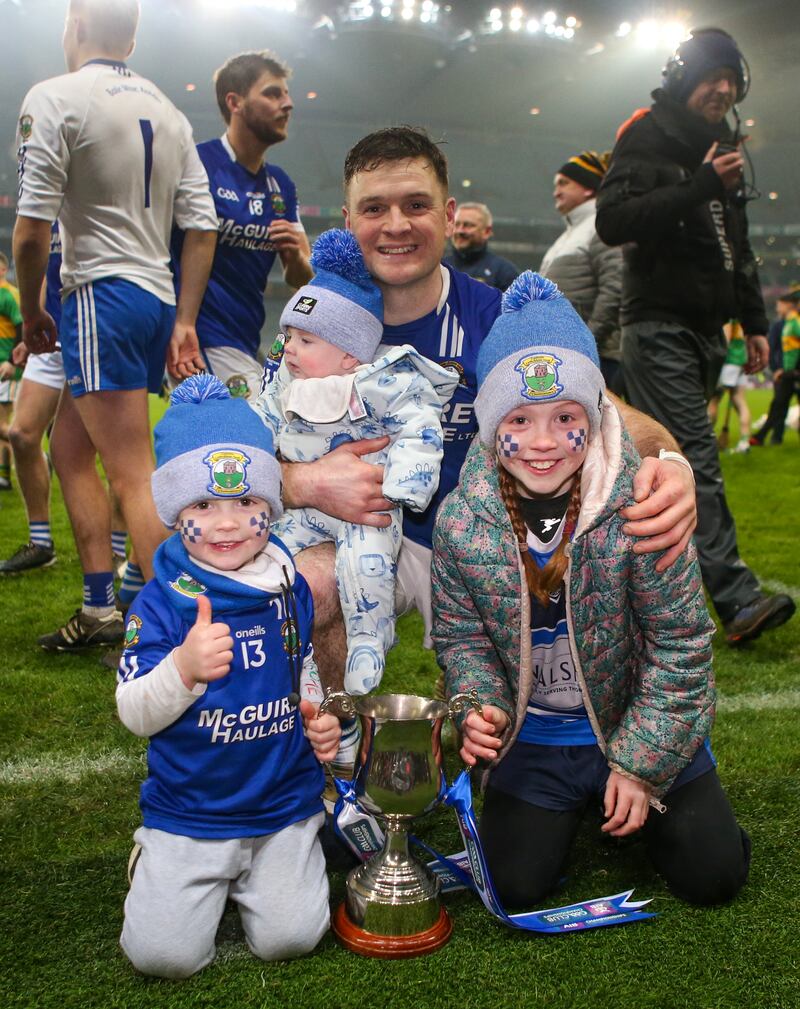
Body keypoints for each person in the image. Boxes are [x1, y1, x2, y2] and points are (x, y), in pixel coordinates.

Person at [278, 126, 698, 692]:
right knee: (307, 583)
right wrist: (303, 481)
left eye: (416, 205)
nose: (397, 224)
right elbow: (239, 444)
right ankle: (339, 759)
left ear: (449, 216)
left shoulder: (500, 319)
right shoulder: (317, 320)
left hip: (487, 542)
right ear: (349, 223)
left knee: (502, 733)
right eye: (375, 208)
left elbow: (609, 410)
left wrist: (672, 463)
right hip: (363, 532)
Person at [431, 272, 750, 910]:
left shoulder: (642, 507)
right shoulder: (460, 521)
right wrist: (481, 707)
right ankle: (568, 806)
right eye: (519, 417)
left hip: (637, 716)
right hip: (541, 735)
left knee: (714, 877)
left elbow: (681, 645)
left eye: (565, 416)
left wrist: (639, 762)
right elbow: (460, 639)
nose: (544, 441)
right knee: (515, 888)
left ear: (595, 415)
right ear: (492, 425)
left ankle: (660, 783)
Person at [116, 374, 340, 979]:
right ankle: (159, 861)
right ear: (173, 511)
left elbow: (305, 668)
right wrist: (183, 670)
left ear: (270, 506)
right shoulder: (159, 604)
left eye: (248, 503)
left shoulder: (287, 583)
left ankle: (258, 875)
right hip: (193, 812)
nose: (228, 523)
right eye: (203, 505)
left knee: (293, 939)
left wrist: (316, 716)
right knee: (164, 959)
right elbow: (135, 712)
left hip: (281, 804)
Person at [13, 0, 219, 646]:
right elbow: (202, 226)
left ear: (73, 24)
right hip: (154, 298)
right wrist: (184, 318)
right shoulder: (170, 108)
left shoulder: (56, 96)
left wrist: (33, 313)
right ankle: (103, 605)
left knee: (134, 471)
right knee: (70, 448)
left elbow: (28, 233)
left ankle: (175, 633)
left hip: (99, 295)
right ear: (131, 33)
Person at [596, 27, 795, 645]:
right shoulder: (646, 134)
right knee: (694, 458)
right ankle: (736, 600)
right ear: (684, 78)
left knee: (642, 465)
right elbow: (614, 220)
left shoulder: (722, 142)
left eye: (733, 81)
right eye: (714, 77)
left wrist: (755, 322)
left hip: (708, 328)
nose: (725, 89)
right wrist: (703, 184)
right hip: (657, 321)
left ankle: (607, 586)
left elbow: (734, 243)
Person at [255, 228, 457, 710]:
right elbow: (255, 424)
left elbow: (419, 426)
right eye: (289, 337)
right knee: (275, 574)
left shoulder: (380, 381)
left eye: (305, 340)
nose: (291, 350)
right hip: (302, 514)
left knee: (364, 565)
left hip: (368, 511)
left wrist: (407, 481)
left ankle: (371, 637)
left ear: (349, 353)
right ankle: (303, 675)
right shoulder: (284, 382)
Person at [171, 49, 312, 401]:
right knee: (259, 436)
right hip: (198, 337)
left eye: (286, 93)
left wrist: (294, 256)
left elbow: (303, 279)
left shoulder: (281, 186)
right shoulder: (196, 164)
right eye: (272, 93)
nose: (287, 103)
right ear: (234, 102)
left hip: (245, 335)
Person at [539, 151, 624, 393]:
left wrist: (589, 339)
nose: (556, 191)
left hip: (597, 356)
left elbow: (615, 288)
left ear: (588, 188)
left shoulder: (600, 226)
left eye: (564, 183)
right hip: (570, 351)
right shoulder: (569, 233)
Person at [750, 287, 800, 446]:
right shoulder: (788, 322)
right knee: (778, 405)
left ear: (790, 305)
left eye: (780, 304)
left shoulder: (794, 322)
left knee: (778, 405)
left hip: (792, 372)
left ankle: (761, 436)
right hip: (788, 372)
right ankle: (763, 437)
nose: (778, 308)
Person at [443, 202, 519, 291]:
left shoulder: (504, 273)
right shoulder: (439, 268)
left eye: (468, 225)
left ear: (487, 231)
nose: (460, 231)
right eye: (456, 225)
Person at [707, 320, 752, 453]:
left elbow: (724, 342)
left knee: (714, 400)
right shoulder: (743, 318)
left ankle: (707, 439)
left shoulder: (728, 318)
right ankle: (744, 442)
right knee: (740, 402)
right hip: (741, 363)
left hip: (727, 364)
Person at [0, 252, 23, 491]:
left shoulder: (9, 294)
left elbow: (21, 326)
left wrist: (11, 361)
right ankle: (4, 476)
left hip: (6, 368)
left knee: (2, 424)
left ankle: (35, 453)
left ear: (3, 270)